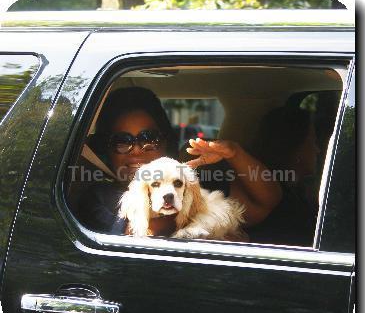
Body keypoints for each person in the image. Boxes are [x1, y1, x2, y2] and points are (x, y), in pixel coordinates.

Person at [77, 86, 282, 237]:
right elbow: (140, 234)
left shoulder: (192, 179)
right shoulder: (99, 197)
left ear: (165, 141)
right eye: (122, 141)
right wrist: (200, 212)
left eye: (149, 138)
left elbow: (265, 204)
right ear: (107, 149)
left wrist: (234, 153)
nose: (137, 150)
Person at [247, 105, 321, 246]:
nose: (317, 150)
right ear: (296, 149)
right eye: (313, 142)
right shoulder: (286, 209)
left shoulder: (294, 193)